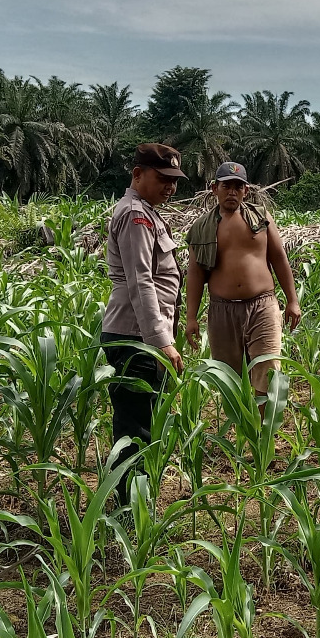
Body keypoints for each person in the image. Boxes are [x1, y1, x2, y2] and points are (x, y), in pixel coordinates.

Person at [184, 161, 301, 396]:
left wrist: (292, 300)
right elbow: (195, 274)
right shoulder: (202, 227)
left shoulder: (260, 218)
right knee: (230, 380)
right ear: (214, 188)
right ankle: (242, 430)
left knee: (267, 373)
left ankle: (262, 431)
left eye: (238, 187)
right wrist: (191, 318)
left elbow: (279, 258)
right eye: (226, 186)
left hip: (262, 306)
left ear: (246, 191)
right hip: (222, 312)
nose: (232, 192)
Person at [101, 143, 186, 467]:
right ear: (138, 174)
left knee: (146, 424)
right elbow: (141, 282)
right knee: (136, 430)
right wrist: (160, 341)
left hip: (142, 336)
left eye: (175, 180)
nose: (171, 187)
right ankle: (128, 511)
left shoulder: (146, 212)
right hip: (137, 338)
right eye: (163, 177)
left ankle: (136, 506)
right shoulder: (136, 214)